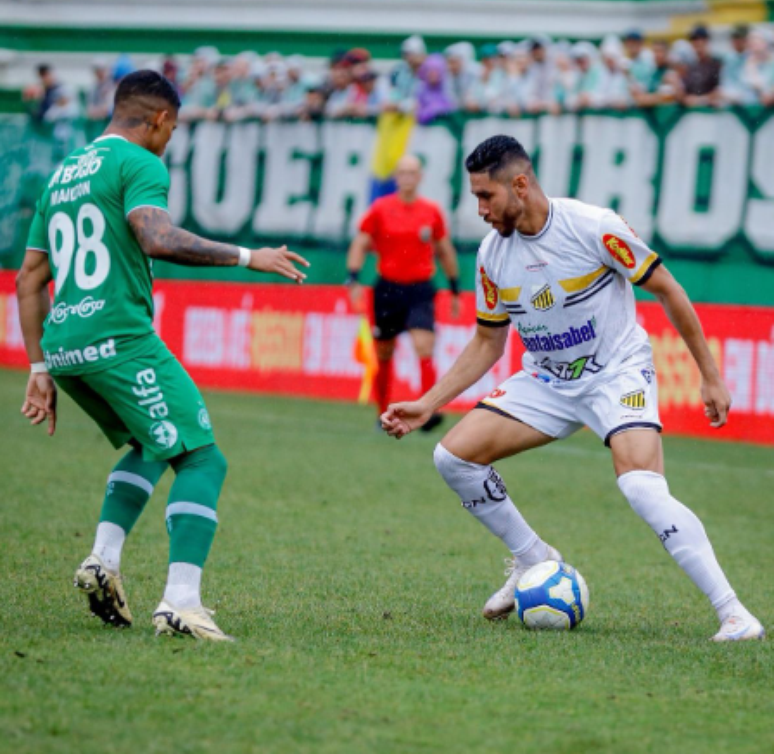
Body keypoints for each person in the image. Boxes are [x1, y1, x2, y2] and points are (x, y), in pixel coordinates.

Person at [381, 135, 764, 643]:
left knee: (641, 486)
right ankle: (532, 558)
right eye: (474, 197)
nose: (479, 209)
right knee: (454, 458)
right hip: (547, 381)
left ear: (520, 185)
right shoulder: (493, 255)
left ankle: (734, 613)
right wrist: (426, 403)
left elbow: (668, 289)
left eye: (485, 196)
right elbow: (487, 344)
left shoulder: (594, 227)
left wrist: (710, 374)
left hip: (617, 373)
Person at [16, 70, 309, 641]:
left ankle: (102, 558)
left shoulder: (62, 176)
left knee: (153, 444)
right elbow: (157, 238)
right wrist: (251, 256)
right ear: (157, 119)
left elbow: (30, 278)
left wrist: (38, 369)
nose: (169, 139)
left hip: (64, 344)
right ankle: (180, 601)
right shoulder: (140, 164)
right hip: (119, 338)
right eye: (171, 128)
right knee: (203, 459)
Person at [346, 154, 460, 431]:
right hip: (388, 289)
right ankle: (382, 411)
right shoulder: (380, 209)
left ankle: (427, 410)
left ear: (420, 177)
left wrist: (455, 287)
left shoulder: (431, 211)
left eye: (413, 172)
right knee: (383, 352)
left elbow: (444, 249)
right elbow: (360, 243)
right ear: (396, 177)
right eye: (403, 172)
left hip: (420, 289)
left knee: (424, 345)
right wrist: (353, 278)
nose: (408, 177)